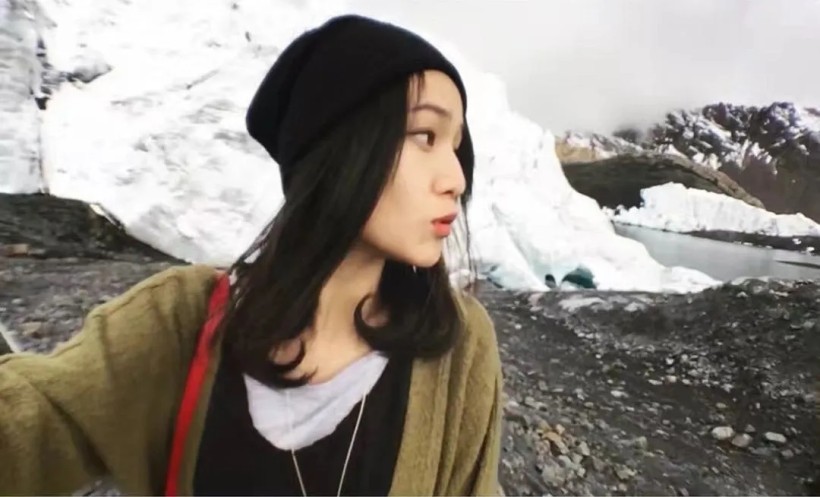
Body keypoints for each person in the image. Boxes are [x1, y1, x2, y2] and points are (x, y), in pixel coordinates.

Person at [0, 14, 503, 496]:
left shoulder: (457, 347)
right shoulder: (179, 319)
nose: (457, 179)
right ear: (339, 147)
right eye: (425, 136)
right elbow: (31, 425)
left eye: (456, 147)